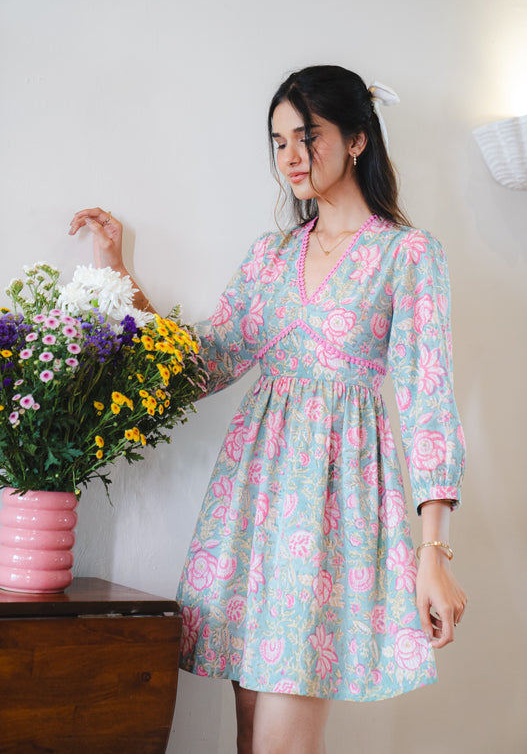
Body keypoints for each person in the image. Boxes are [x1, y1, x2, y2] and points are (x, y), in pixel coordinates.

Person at [69, 65, 467, 754]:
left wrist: (431, 552)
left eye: (307, 137)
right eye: (279, 141)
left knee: (282, 739)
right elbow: (203, 362)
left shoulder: (405, 254)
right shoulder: (272, 255)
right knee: (252, 733)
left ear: (357, 140)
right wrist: (118, 269)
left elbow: (427, 400)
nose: (291, 156)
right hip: (252, 508)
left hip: (333, 513)